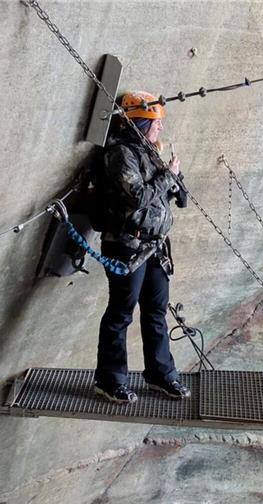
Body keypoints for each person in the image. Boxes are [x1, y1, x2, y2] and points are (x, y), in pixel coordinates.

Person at [92, 90, 191, 404]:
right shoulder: (120, 154)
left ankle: (161, 375)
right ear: (137, 123)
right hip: (127, 247)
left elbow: (168, 192)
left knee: (155, 313)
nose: (159, 128)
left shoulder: (149, 152)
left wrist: (177, 182)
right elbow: (136, 196)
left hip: (154, 248)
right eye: (154, 122)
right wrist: (167, 176)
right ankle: (110, 380)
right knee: (121, 313)